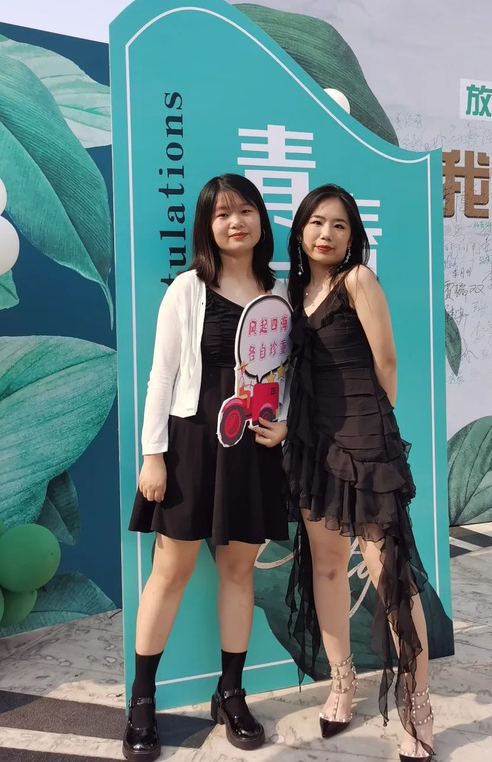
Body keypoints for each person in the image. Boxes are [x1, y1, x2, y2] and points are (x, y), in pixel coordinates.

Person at [123, 174, 289, 762]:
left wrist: (284, 423)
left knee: (238, 572)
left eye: (245, 210)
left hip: (252, 451)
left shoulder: (279, 293)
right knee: (170, 571)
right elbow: (161, 375)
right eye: (222, 214)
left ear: (261, 219)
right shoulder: (188, 288)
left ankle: (231, 693)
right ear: (207, 227)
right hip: (191, 445)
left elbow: (284, 375)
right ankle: (142, 701)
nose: (235, 222)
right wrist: (153, 454)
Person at [284, 184, 435, 761]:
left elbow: (386, 362)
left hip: (365, 444)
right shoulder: (293, 292)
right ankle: (342, 684)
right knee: (326, 567)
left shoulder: (358, 281)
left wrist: (377, 437)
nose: (326, 234)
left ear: (353, 236)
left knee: (389, 576)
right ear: (301, 231)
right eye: (317, 223)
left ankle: (418, 708)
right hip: (312, 445)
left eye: (339, 225)